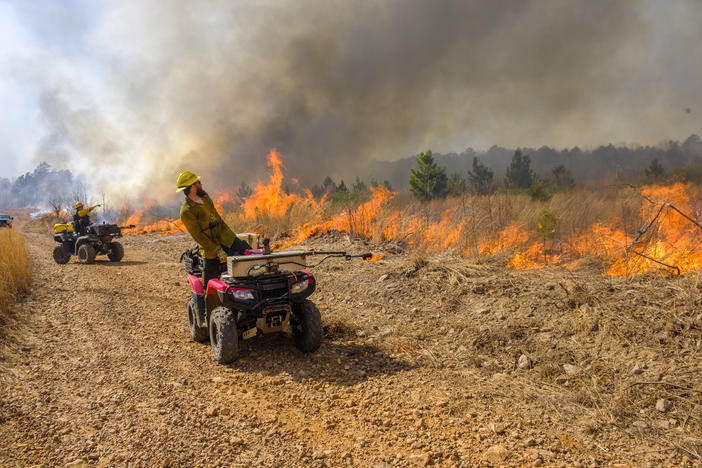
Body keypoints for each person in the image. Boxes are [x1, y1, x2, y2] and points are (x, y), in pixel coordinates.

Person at [177, 171, 250, 290]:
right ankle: (207, 308)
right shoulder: (186, 211)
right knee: (209, 284)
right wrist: (217, 250)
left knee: (249, 258)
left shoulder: (204, 197)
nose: (201, 184)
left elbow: (218, 219)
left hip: (226, 238)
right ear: (192, 187)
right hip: (210, 248)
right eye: (198, 182)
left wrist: (232, 238)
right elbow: (198, 236)